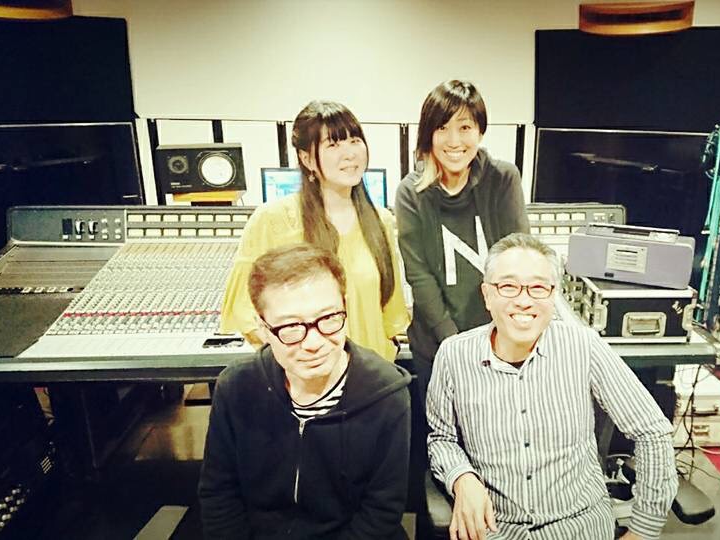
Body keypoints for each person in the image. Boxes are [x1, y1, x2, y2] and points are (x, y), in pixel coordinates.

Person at [427, 233, 678, 540]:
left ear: (553, 295)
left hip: (579, 527)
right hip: (496, 529)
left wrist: (642, 530)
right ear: (487, 295)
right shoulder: (454, 355)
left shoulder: (583, 345)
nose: (523, 300)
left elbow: (652, 431)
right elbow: (441, 438)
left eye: (538, 287)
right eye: (508, 286)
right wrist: (462, 478)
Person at [199, 244, 412, 539]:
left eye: (328, 319)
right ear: (263, 328)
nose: (313, 342)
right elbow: (219, 496)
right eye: (290, 327)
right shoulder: (236, 388)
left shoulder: (387, 394)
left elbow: (381, 512)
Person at [221, 100, 408, 361]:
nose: (349, 154)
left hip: (371, 374)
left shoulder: (381, 221)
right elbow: (245, 312)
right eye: (333, 144)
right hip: (306, 375)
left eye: (354, 141)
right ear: (306, 158)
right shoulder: (271, 220)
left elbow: (392, 313)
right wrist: (298, 359)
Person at [395, 79, 530, 387]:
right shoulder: (411, 193)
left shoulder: (502, 179)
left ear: (480, 132)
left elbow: (518, 258)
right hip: (437, 347)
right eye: (442, 128)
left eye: (465, 127)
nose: (454, 140)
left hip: (501, 343)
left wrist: (501, 337)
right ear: (428, 134)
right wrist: (455, 344)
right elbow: (420, 276)